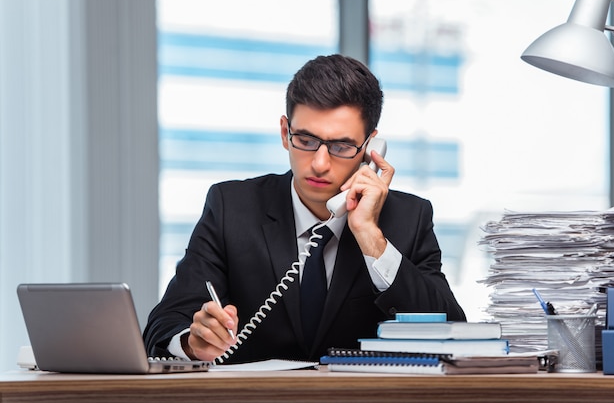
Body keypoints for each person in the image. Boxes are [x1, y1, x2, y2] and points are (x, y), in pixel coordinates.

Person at [143, 54, 466, 364]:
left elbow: (455, 334)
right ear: (285, 133)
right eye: (306, 140)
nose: (320, 164)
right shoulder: (231, 207)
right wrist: (192, 341)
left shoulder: (409, 218)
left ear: (369, 148)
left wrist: (370, 237)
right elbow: (163, 324)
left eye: (341, 146)